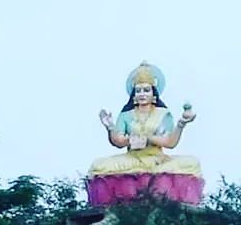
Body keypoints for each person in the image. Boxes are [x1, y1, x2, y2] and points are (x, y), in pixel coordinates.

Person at [86, 62, 203, 205]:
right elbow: (118, 141)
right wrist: (110, 126)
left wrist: (181, 124)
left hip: (158, 160)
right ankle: (139, 185)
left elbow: (170, 142)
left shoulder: (163, 114)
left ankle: (153, 185)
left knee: (192, 163)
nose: (142, 94)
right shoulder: (126, 115)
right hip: (132, 159)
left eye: (146, 90)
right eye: (139, 91)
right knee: (98, 166)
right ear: (134, 95)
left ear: (153, 93)